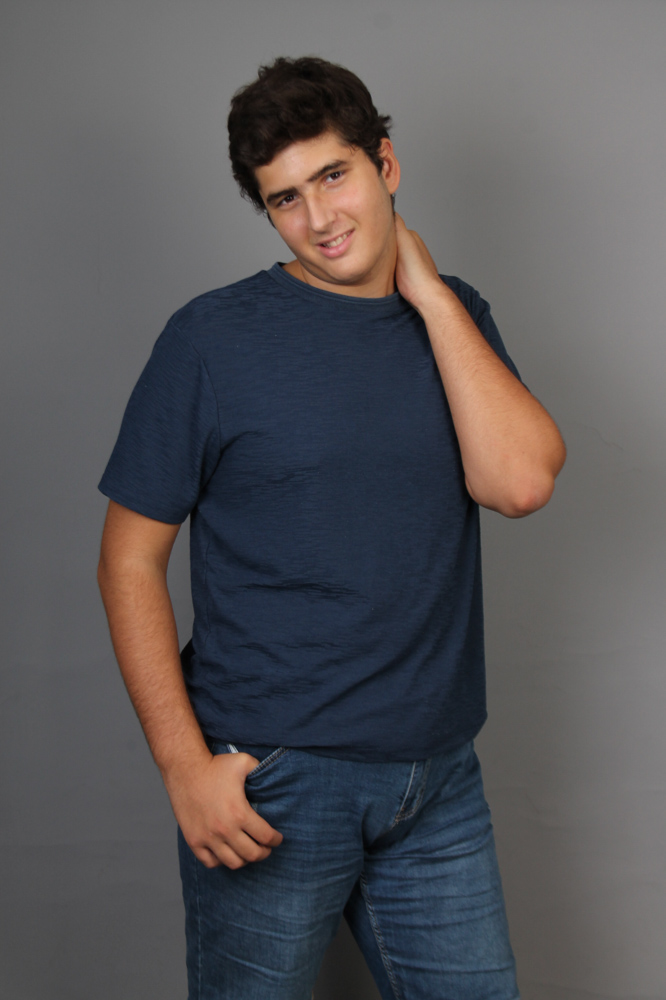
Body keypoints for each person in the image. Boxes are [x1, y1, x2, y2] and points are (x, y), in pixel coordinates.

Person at [97, 56, 565, 1000]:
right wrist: (183, 767)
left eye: (334, 176)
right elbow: (129, 562)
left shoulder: (456, 316)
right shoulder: (211, 340)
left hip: (436, 780)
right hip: (275, 777)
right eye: (285, 199)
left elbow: (518, 483)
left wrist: (427, 293)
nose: (319, 218)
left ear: (385, 164)